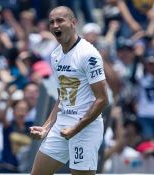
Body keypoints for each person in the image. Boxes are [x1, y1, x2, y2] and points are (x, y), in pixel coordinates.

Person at [29, 6, 108, 175]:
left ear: (73, 23)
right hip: (61, 126)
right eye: (51, 22)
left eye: (60, 20)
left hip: (85, 129)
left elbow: (102, 100)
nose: (55, 25)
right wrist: (46, 127)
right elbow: (62, 97)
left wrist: (76, 128)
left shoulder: (89, 54)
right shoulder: (56, 55)